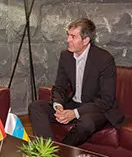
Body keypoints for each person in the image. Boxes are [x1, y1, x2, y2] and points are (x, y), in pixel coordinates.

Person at [28, 18, 125, 146]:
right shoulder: (66, 56)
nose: (68, 40)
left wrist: (74, 114)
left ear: (85, 40)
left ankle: (60, 153)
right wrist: (59, 106)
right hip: (74, 103)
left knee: (86, 123)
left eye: (73, 36)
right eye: (68, 35)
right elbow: (59, 87)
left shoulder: (104, 59)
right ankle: (46, 149)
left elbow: (106, 100)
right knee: (36, 107)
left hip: (97, 109)